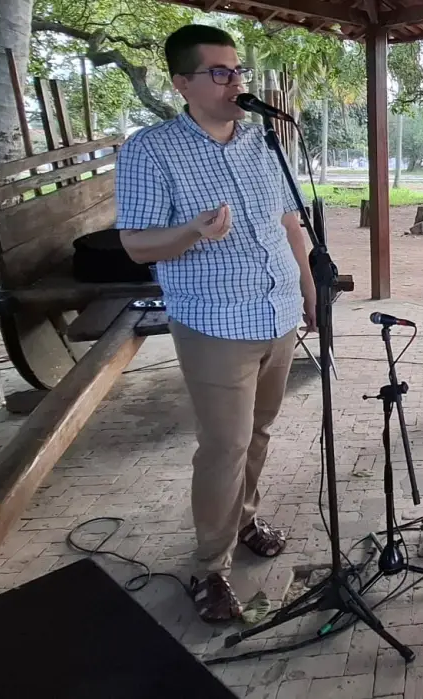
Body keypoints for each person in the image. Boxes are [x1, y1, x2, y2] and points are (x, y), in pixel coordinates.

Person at [114, 25, 316, 623]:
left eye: (237, 71)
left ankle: (245, 518)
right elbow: (135, 245)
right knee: (224, 446)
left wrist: (308, 286)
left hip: (278, 312)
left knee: (258, 433)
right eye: (220, 72)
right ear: (183, 83)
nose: (235, 82)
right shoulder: (151, 149)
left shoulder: (262, 141)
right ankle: (210, 567)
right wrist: (193, 233)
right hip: (215, 323)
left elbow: (289, 220)